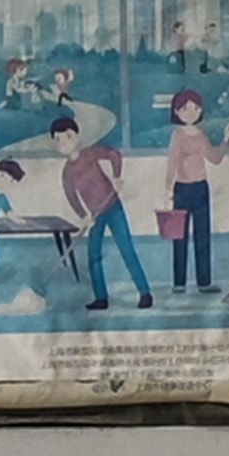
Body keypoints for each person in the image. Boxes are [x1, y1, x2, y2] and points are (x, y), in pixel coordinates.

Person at [46, 105, 148, 313]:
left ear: (77, 135)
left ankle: (145, 293)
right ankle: (101, 297)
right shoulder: (67, 172)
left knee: (126, 249)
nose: (64, 142)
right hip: (95, 215)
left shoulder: (90, 154)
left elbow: (114, 154)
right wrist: (84, 217)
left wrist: (117, 176)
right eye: (58, 139)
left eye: (68, 136)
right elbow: (72, 196)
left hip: (112, 207)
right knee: (94, 255)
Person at [158, 93, 218, 294]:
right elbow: (172, 163)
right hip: (182, 189)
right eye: (185, 109)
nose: (191, 113)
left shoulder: (201, 134)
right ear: (176, 112)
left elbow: (214, 158)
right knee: (180, 237)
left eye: (196, 108)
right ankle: (179, 282)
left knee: (203, 236)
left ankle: (204, 282)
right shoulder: (177, 135)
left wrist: (227, 142)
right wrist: (167, 191)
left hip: (201, 188)